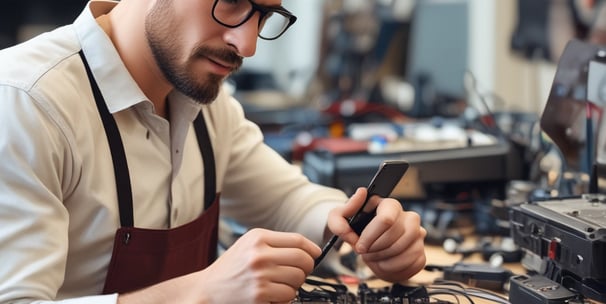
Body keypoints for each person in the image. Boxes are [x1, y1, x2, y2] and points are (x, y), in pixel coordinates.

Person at [0, 0, 427, 303]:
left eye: (264, 15)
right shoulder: (25, 103)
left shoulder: (205, 103)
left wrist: (366, 231)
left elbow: (287, 200)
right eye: (233, 2)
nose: (248, 44)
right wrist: (201, 293)